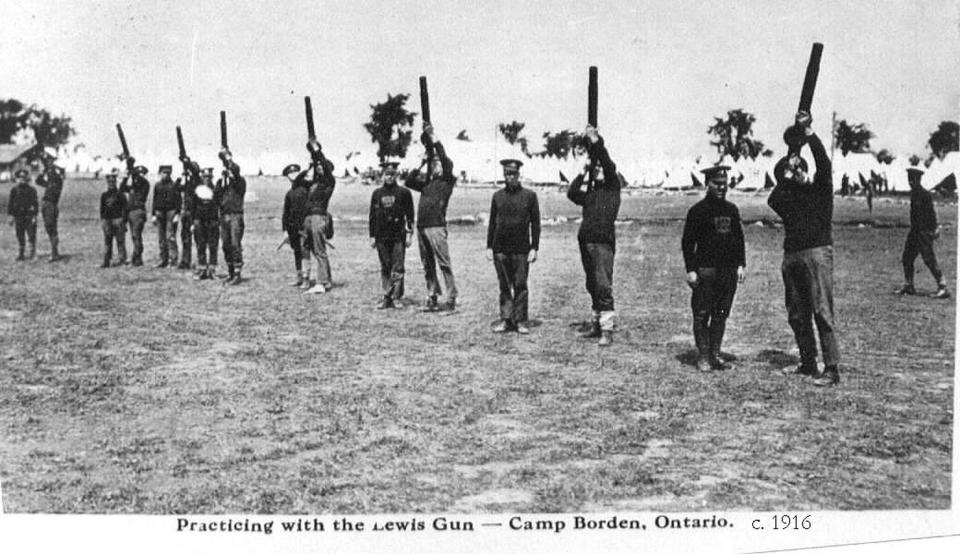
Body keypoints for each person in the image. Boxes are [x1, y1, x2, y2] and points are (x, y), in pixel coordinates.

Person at [768, 110, 840, 387]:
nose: (797, 172)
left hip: (817, 252)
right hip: (792, 256)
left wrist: (808, 134)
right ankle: (808, 362)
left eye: (800, 168)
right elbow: (773, 199)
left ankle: (831, 368)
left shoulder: (820, 188)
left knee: (822, 311)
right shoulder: (784, 197)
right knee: (797, 314)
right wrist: (785, 175)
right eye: (792, 170)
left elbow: (823, 162)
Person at [681, 165, 746, 371]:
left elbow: (739, 239)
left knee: (721, 313)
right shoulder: (697, 211)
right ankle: (703, 356)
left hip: (728, 271)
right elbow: (687, 243)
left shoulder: (731, 210)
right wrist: (691, 270)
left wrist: (741, 264)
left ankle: (715, 354)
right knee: (702, 313)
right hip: (706, 271)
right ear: (707, 184)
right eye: (717, 184)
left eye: (724, 184)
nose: (721, 187)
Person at [566, 125, 622, 346]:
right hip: (586, 241)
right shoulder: (591, 194)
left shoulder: (612, 189)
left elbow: (606, 163)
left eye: (600, 167)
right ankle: (597, 323)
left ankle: (607, 329)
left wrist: (596, 141)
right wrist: (584, 170)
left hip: (602, 243)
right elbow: (571, 193)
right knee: (592, 285)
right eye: (596, 167)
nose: (598, 169)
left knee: (603, 285)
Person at [406, 123, 458, 311]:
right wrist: (422, 162)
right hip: (422, 226)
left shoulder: (447, 182)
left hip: (436, 226)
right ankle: (432, 294)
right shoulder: (427, 184)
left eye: (437, 164)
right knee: (427, 264)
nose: (435, 166)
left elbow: (443, 158)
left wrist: (433, 137)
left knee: (444, 263)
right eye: (433, 164)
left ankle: (451, 297)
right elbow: (409, 180)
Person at [487, 158, 540, 333]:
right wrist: (489, 247)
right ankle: (506, 319)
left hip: (521, 249)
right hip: (500, 249)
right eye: (507, 174)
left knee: (520, 285)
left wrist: (534, 248)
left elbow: (536, 224)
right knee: (504, 286)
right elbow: (492, 223)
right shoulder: (497, 197)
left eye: (513, 174)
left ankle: (521, 320)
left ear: (519, 175)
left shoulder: (530, 196)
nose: (510, 177)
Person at [898, 167, 949, 299]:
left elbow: (932, 213)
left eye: (912, 179)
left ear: (918, 179)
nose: (910, 182)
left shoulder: (924, 194)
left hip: (924, 232)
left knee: (929, 259)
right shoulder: (913, 194)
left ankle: (943, 287)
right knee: (907, 258)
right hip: (914, 232)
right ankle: (909, 285)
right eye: (909, 179)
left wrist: (936, 228)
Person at [369, 160, 414, 309]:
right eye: (386, 174)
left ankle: (396, 297)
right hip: (381, 236)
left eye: (392, 174)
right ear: (382, 175)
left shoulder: (404, 193)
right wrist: (372, 236)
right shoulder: (377, 194)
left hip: (398, 236)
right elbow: (372, 217)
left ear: (396, 175)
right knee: (385, 266)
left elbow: (410, 216)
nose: (389, 177)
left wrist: (409, 235)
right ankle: (386, 296)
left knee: (398, 267)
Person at [301, 140, 337, 294]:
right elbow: (298, 182)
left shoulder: (329, 181)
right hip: (309, 217)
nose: (321, 168)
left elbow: (323, 163)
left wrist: (317, 150)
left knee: (319, 250)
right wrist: (310, 165)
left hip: (318, 217)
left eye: (323, 167)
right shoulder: (314, 182)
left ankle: (321, 283)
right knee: (316, 251)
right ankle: (326, 280)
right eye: (319, 167)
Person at [216, 149, 246, 284]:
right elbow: (216, 198)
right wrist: (222, 181)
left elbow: (235, 169)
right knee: (226, 245)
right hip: (224, 216)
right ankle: (230, 271)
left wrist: (228, 159)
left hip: (235, 216)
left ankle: (237, 273)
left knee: (235, 244)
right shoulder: (221, 183)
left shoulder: (240, 183)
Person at [281, 163, 309, 287]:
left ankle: (306, 279)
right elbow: (285, 213)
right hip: (292, 228)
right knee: (297, 252)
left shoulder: (306, 190)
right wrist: (284, 230)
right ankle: (299, 277)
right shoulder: (289, 193)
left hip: (303, 226)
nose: (293, 176)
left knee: (305, 252)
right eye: (290, 174)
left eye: (295, 173)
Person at [35, 152, 65, 262]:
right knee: (49, 228)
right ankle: (54, 251)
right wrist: (44, 171)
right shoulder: (50, 180)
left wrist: (49, 169)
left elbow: (56, 177)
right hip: (46, 203)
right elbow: (38, 181)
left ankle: (54, 253)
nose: (49, 163)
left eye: (50, 160)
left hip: (51, 204)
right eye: (48, 161)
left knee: (51, 227)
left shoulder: (56, 178)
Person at [120, 163, 150, 266]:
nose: (139, 175)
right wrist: (126, 176)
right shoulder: (133, 186)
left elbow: (141, 181)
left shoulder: (145, 185)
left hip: (138, 211)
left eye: (142, 173)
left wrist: (133, 171)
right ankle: (138, 259)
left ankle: (135, 259)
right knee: (134, 236)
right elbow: (122, 188)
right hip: (130, 212)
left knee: (136, 235)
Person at [152, 165, 181, 268]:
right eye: (164, 173)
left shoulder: (174, 185)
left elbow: (178, 201)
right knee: (161, 238)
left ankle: (173, 260)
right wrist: (153, 214)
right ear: (160, 173)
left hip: (171, 212)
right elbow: (154, 201)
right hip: (160, 212)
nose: (165, 175)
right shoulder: (157, 185)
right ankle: (163, 259)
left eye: (167, 173)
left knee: (170, 237)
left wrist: (177, 214)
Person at [193, 167, 220, 280]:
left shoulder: (216, 189)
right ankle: (202, 269)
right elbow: (192, 206)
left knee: (213, 246)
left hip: (212, 221)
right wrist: (193, 222)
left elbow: (218, 204)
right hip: (199, 221)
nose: (206, 179)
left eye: (208, 177)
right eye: (204, 177)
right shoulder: (197, 190)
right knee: (201, 245)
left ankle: (212, 270)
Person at [7, 168, 38, 261]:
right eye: (20, 178)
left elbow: (35, 204)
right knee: (20, 235)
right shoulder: (14, 190)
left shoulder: (32, 190)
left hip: (29, 215)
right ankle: (21, 253)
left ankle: (32, 253)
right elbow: (10, 204)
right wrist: (10, 216)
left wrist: (34, 216)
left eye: (24, 178)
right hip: (18, 216)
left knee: (31, 235)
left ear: (26, 178)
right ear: (17, 179)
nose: (22, 179)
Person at [176, 158, 202, 270]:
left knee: (198, 238)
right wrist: (181, 177)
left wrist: (187, 163)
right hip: (186, 212)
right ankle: (185, 261)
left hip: (194, 212)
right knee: (185, 237)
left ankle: (201, 262)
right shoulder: (187, 181)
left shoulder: (197, 181)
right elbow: (175, 189)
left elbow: (194, 171)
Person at [99, 171, 127, 267]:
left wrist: (123, 221)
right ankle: (106, 260)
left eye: (113, 182)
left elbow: (125, 208)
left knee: (120, 241)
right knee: (107, 241)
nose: (111, 184)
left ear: (115, 182)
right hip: (107, 220)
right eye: (109, 182)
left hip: (118, 220)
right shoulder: (104, 195)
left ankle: (122, 259)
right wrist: (103, 220)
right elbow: (101, 209)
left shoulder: (120, 195)